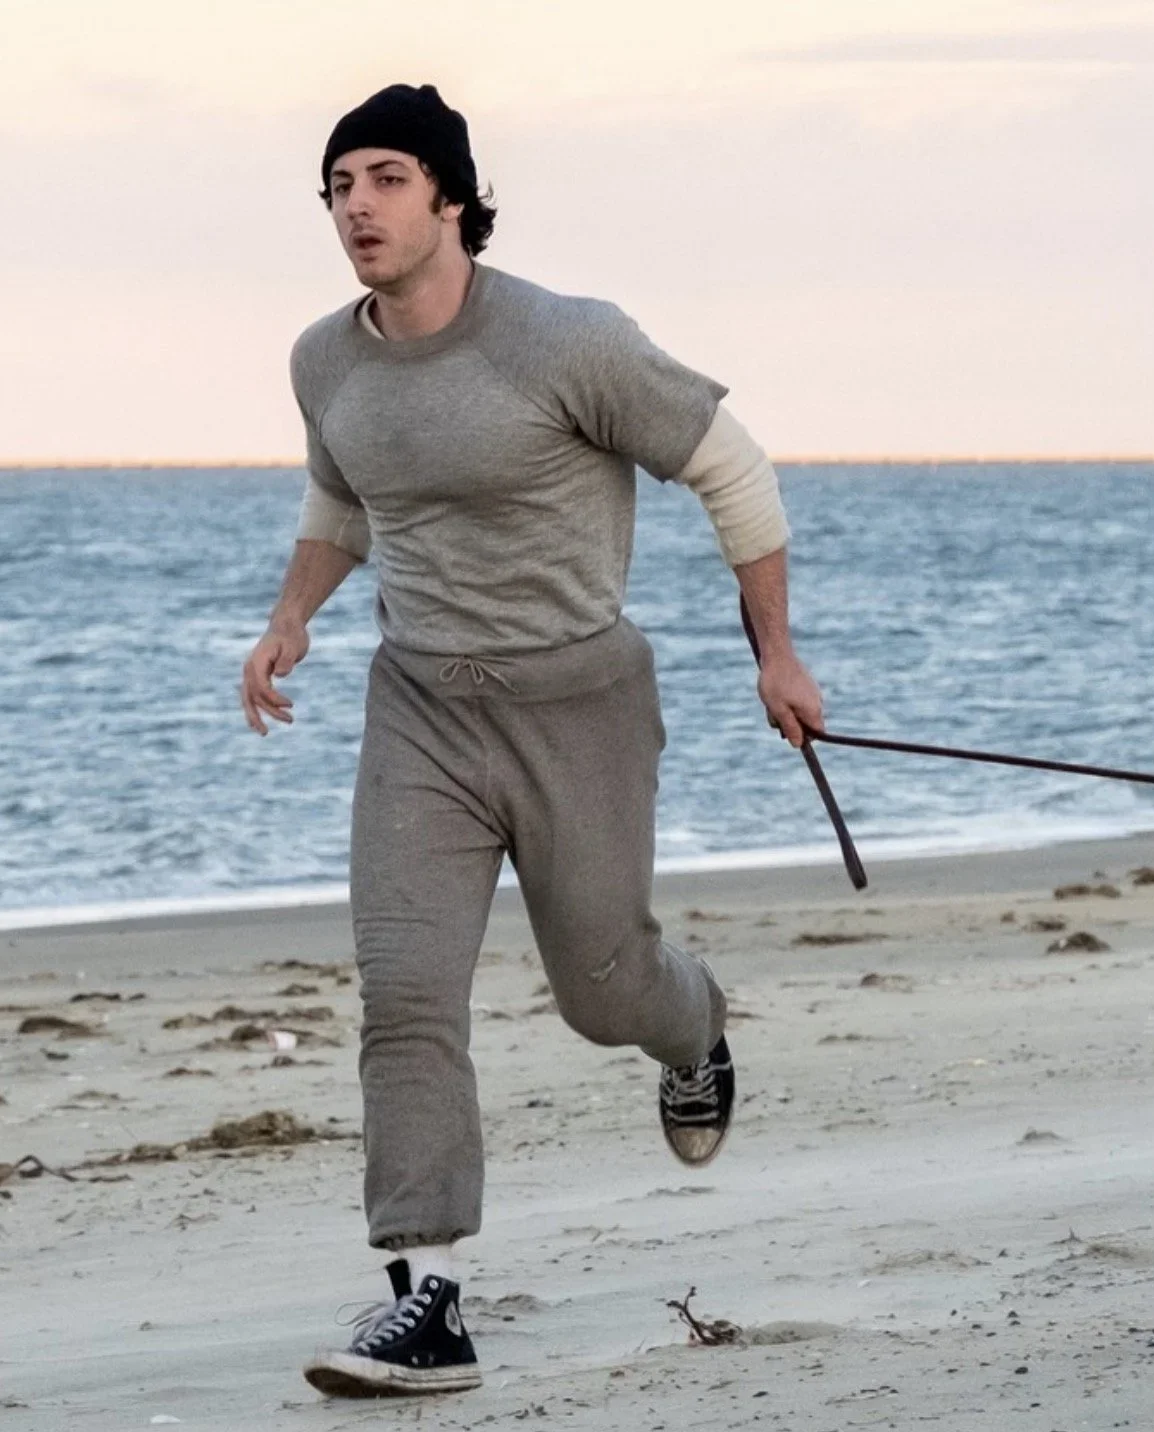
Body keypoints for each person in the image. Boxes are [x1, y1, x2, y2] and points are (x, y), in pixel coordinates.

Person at [237, 83, 824, 1398]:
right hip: (420, 712)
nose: (356, 207)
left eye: (386, 179)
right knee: (404, 995)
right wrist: (290, 619)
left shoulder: (569, 342)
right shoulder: (325, 360)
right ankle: (428, 1295)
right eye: (338, 186)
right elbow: (345, 493)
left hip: (579, 708)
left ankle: (693, 1028)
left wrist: (776, 656)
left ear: (451, 198)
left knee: (603, 991)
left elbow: (733, 471)